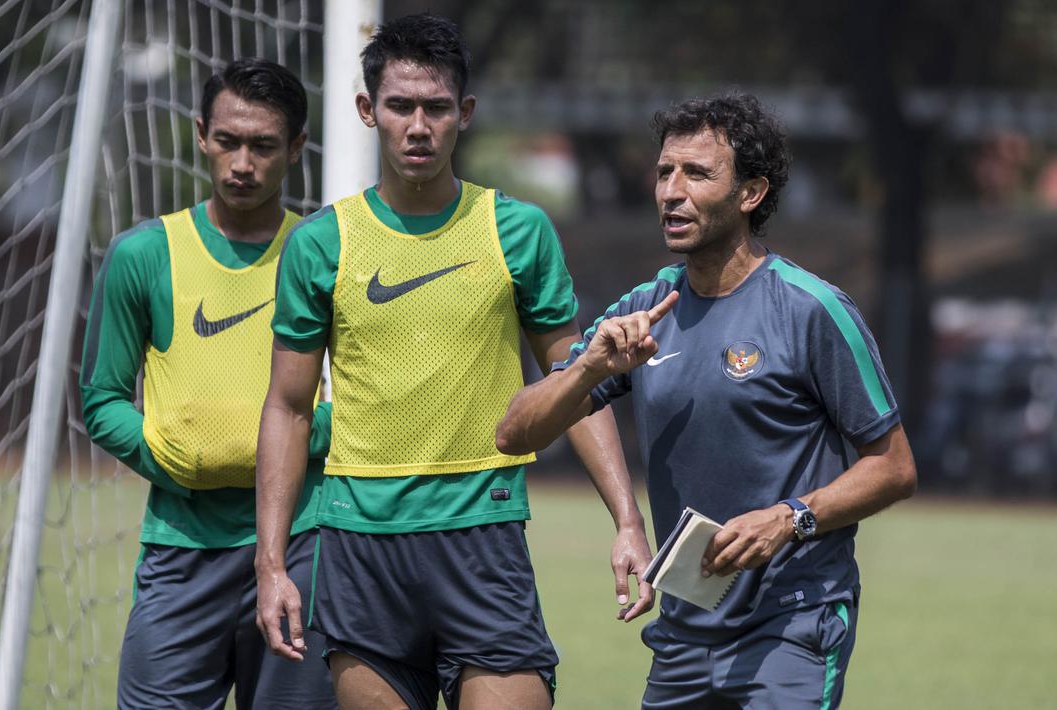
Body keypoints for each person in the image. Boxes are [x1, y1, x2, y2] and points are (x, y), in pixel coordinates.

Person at [254, 13, 652, 710]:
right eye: (400, 106)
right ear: (366, 110)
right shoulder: (320, 244)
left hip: (483, 541)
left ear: (463, 114)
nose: (417, 125)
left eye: (435, 107)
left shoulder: (517, 230)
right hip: (359, 547)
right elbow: (287, 407)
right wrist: (271, 563)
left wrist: (626, 519)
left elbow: (576, 381)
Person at [496, 92, 917, 709]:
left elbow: (895, 467)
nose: (671, 191)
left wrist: (789, 517)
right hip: (685, 631)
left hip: (794, 625)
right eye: (665, 171)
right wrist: (587, 368)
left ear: (751, 194)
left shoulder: (811, 310)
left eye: (697, 174)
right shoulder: (643, 310)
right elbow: (514, 434)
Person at [79, 58, 336, 709]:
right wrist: (172, 455)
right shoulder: (144, 254)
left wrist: (301, 438)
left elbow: (367, 395)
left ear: (298, 148)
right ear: (200, 134)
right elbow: (102, 400)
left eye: (262, 146)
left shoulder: (329, 252)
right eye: (227, 141)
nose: (241, 163)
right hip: (181, 552)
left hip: (304, 546)